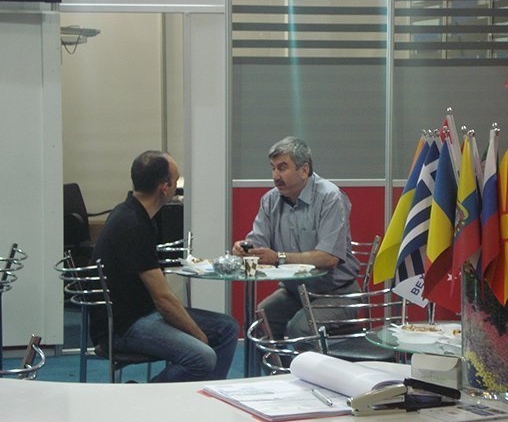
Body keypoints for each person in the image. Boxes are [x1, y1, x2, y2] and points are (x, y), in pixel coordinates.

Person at [89, 150, 239, 382]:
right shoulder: (133, 225)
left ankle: (205, 394)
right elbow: (164, 299)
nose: (177, 187)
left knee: (227, 328)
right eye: (176, 181)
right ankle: (145, 398)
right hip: (123, 327)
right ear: (164, 187)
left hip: (141, 314)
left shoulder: (131, 212)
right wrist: (198, 336)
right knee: (203, 356)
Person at [232, 136, 360, 341]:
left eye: (282, 168)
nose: (276, 176)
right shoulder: (270, 200)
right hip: (294, 292)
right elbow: (258, 242)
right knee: (259, 322)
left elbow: (329, 258)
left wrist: (278, 257)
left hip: (337, 294)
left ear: (304, 170)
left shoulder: (330, 197)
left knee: (300, 328)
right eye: (273, 168)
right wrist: (245, 248)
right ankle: (278, 364)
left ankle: (306, 365)